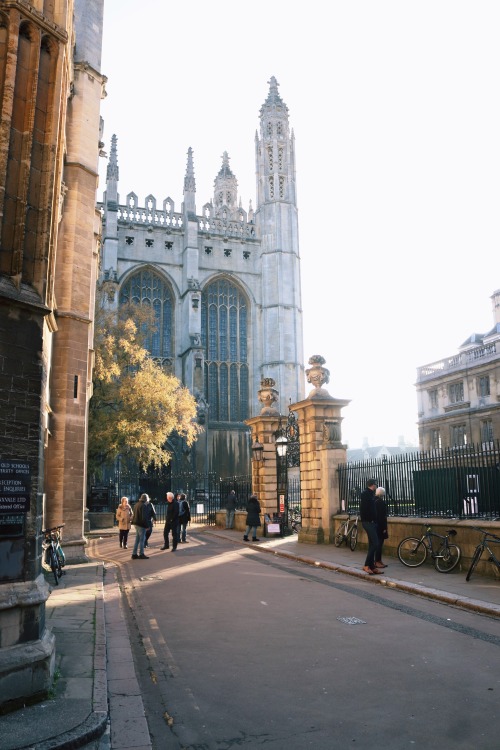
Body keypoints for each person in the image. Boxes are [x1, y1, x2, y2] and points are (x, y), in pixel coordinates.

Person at [359, 479, 381, 575]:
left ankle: (371, 566)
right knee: (376, 543)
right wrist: (369, 519)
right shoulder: (365, 494)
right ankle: (366, 565)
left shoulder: (371, 494)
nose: (376, 486)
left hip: (372, 522)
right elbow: (364, 509)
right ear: (373, 485)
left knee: (373, 544)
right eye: (375, 484)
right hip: (368, 522)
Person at [131, 493, 150, 559]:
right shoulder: (144, 506)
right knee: (142, 539)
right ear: (146, 499)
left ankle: (134, 554)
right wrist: (147, 526)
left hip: (136, 523)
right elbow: (144, 518)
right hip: (141, 525)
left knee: (137, 539)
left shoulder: (136, 504)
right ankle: (141, 553)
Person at [374, 486, 388, 569]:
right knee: (379, 544)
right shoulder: (380, 502)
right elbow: (382, 516)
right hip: (380, 526)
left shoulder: (373, 500)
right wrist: (384, 528)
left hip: (375, 525)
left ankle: (378, 560)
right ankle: (378, 561)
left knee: (377, 543)